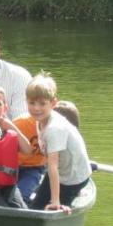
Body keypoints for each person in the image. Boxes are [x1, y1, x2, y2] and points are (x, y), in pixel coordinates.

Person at [25, 73, 92, 212]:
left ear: (53, 103)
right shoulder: (40, 121)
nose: (36, 108)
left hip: (73, 178)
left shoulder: (54, 128)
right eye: (32, 103)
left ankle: (68, 197)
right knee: (35, 207)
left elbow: (53, 165)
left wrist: (56, 201)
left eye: (42, 103)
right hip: (60, 171)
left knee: (51, 210)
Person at [11, 112, 46, 206]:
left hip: (34, 167)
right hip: (11, 166)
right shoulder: (21, 123)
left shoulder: (58, 127)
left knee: (22, 196)